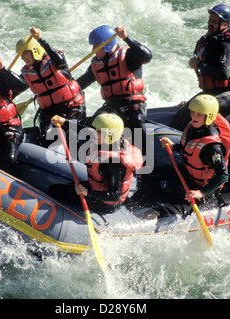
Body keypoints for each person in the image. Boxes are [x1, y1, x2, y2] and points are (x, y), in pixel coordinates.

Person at [77, 25, 152, 155]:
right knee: (97, 120)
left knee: (137, 122)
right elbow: (80, 83)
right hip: (112, 107)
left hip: (133, 104)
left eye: (96, 46)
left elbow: (147, 56)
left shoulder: (128, 56)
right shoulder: (96, 64)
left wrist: (126, 38)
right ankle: (94, 157)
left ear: (106, 45)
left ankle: (144, 161)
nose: (93, 50)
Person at [171, 4, 230, 130]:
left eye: (215, 21)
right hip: (210, 92)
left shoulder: (227, 44)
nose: (210, 23)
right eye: (210, 20)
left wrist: (199, 64)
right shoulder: (209, 40)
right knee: (181, 116)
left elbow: (224, 72)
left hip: (228, 94)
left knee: (195, 117)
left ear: (225, 24)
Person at [51, 113, 143, 213]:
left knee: (55, 191)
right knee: (62, 187)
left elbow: (114, 196)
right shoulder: (110, 140)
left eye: (99, 132)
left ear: (110, 136)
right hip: (96, 186)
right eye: (96, 130)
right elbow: (86, 131)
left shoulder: (111, 163)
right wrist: (65, 122)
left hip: (104, 204)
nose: (94, 133)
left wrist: (87, 192)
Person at [17, 27, 86, 147]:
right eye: (20, 54)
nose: (22, 57)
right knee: (45, 137)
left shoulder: (57, 63)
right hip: (49, 112)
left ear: (35, 51)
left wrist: (40, 39)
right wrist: (2, 70)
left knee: (71, 132)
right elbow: (15, 87)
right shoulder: (27, 73)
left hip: (72, 107)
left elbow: (58, 58)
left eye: (24, 53)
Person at [161, 94, 230, 203]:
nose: (194, 117)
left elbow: (224, 175)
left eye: (199, 114)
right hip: (191, 176)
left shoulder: (212, 146)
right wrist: (173, 146)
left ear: (209, 116)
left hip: (205, 188)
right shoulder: (193, 128)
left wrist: (201, 193)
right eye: (193, 112)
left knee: (164, 186)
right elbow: (188, 149)